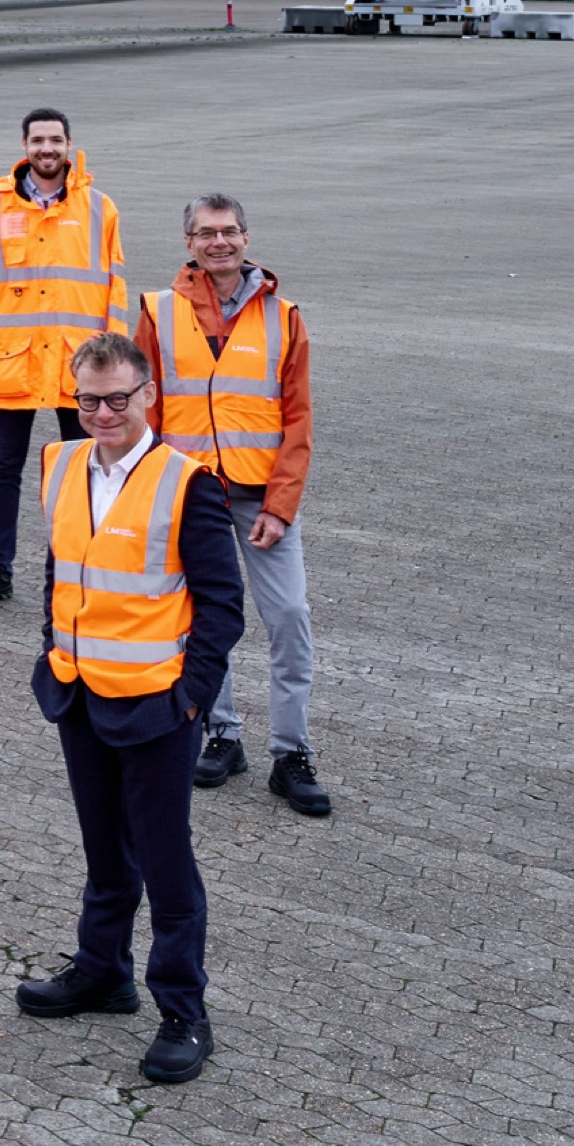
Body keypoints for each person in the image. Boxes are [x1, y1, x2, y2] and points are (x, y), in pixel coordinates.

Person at [16, 333, 243, 1085]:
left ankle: (184, 1010)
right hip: (78, 692)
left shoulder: (187, 481)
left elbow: (222, 603)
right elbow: (59, 563)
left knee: (167, 862)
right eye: (89, 399)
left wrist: (192, 697)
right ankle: (102, 970)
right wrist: (53, 642)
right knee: (104, 855)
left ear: (148, 395)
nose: (104, 412)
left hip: (155, 706)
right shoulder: (59, 463)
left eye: (119, 398)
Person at [138, 194, 330, 817]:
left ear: (247, 238)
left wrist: (281, 505)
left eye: (228, 232)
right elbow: (147, 409)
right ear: (188, 243)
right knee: (198, 621)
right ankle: (221, 735)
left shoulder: (284, 316)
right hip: (192, 496)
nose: (218, 242)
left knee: (290, 618)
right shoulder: (157, 312)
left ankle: (291, 753)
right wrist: (153, 492)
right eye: (204, 233)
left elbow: (298, 418)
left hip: (261, 498)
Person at [0, 107, 129, 613]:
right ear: (24, 146)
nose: (46, 148)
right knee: (4, 467)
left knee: (83, 471)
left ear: (70, 144)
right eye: (38, 140)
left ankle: (78, 570)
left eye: (55, 139)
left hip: (83, 366)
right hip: (14, 360)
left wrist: (115, 366)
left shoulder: (100, 208)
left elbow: (114, 290)